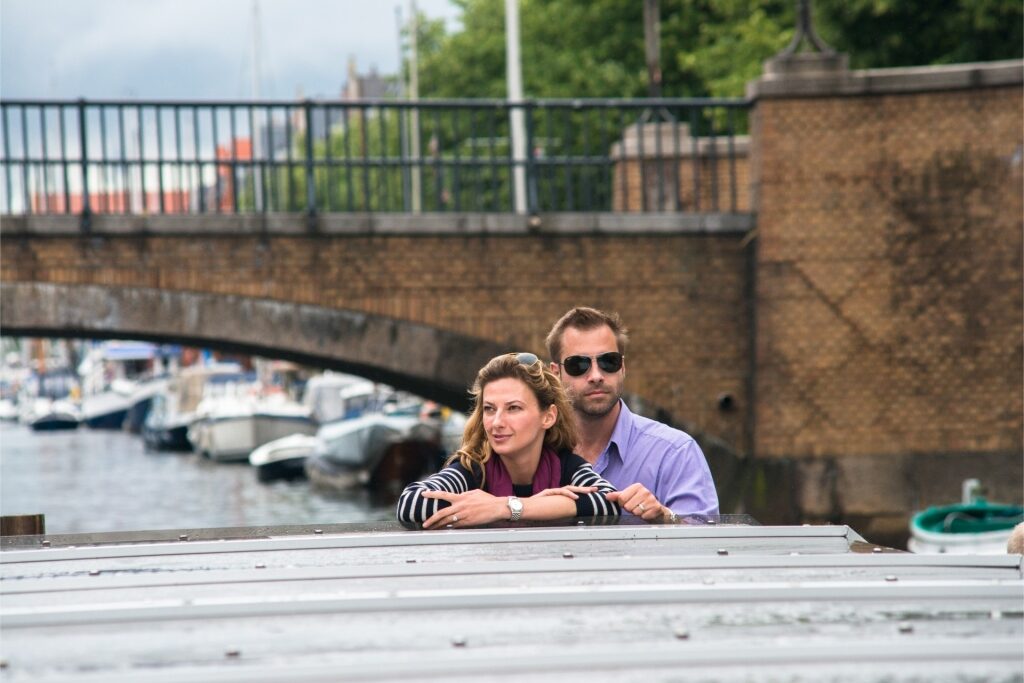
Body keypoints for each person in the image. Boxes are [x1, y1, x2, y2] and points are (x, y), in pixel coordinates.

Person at [397, 352, 621, 528]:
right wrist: (547, 506)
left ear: (548, 416)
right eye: (489, 409)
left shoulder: (565, 467)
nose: (496, 422)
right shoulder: (473, 470)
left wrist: (505, 507)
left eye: (513, 408)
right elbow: (412, 503)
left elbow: (608, 501)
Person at [545, 306, 719, 523]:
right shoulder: (532, 451)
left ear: (623, 367)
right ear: (555, 373)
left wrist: (665, 517)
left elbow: (706, 543)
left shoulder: (675, 452)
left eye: (609, 361)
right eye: (578, 365)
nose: (596, 376)